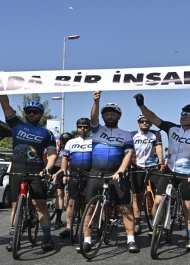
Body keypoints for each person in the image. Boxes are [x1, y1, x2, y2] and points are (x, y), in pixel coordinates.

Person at [134, 93, 190, 251]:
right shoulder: (171, 127)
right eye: (182, 114)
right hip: (169, 170)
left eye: (188, 115)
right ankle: (157, 227)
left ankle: (189, 238)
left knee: (188, 206)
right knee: (158, 201)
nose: (183, 117)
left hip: (186, 172)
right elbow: (153, 118)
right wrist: (141, 105)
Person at [80, 91, 138, 253]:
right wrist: (96, 102)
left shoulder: (126, 134)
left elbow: (128, 153)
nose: (110, 116)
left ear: (119, 117)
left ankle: (131, 240)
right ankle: (87, 240)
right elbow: (93, 118)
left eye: (113, 114)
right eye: (107, 114)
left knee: (125, 207)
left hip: (116, 173)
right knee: (90, 207)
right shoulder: (97, 130)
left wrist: (121, 170)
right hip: (96, 173)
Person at [0, 96, 57, 251]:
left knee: (40, 205)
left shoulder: (47, 133)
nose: (32, 114)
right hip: (16, 169)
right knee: (15, 206)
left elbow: (52, 154)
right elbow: (5, 104)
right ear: (25, 113)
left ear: (41, 114)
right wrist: (1, 86)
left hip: (36, 170)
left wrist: (48, 169)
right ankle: (14, 237)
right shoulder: (16, 124)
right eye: (29, 111)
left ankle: (47, 238)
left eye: (35, 112)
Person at [56, 118, 93, 239]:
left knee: (91, 202)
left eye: (85, 127)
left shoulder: (95, 141)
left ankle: (95, 223)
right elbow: (65, 159)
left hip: (90, 174)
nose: (83, 129)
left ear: (89, 128)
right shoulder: (71, 142)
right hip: (74, 174)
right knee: (71, 201)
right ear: (77, 128)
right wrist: (65, 174)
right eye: (80, 126)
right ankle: (69, 227)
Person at [130, 114, 164, 234]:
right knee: (137, 196)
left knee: (160, 194)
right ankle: (138, 222)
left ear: (151, 123)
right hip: (136, 166)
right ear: (138, 123)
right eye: (142, 121)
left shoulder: (156, 134)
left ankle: (159, 220)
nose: (145, 123)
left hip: (152, 166)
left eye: (147, 121)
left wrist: (161, 162)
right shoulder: (132, 134)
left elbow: (159, 148)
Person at [50, 132, 73, 228]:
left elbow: (67, 164)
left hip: (61, 169)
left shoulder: (71, 148)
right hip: (50, 167)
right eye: (64, 142)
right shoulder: (55, 145)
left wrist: (57, 174)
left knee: (59, 193)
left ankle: (58, 219)